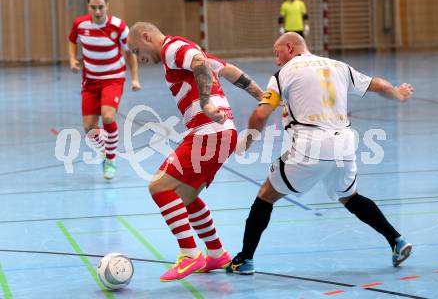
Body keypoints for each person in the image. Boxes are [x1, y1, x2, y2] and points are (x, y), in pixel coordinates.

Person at [226, 32, 414, 275]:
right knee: (350, 197)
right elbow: (377, 84)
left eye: (277, 53)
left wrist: (247, 141)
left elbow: (261, 114)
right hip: (344, 145)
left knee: (265, 195)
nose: (277, 60)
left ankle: (244, 260)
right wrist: (398, 93)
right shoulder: (338, 66)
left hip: (310, 146)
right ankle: (397, 241)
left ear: (290, 48)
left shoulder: (284, 73)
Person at [127, 22, 264, 281]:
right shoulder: (181, 48)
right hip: (222, 133)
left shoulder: (171, 48)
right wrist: (263, 96)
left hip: (209, 130)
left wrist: (205, 102)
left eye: (136, 51)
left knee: (158, 187)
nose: (139, 59)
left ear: (147, 37)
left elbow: (200, 63)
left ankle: (190, 254)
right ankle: (216, 254)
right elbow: (229, 71)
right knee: (186, 196)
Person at [68, 0, 141, 180]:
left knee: (108, 116)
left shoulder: (119, 26)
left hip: (113, 78)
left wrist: (134, 78)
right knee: (89, 128)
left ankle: (110, 159)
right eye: (94, 8)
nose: (98, 11)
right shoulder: (80, 24)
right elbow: (72, 40)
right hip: (90, 81)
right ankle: (108, 150)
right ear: (88, 7)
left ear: (107, 6)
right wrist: (72, 59)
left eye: (101, 7)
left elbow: (130, 52)